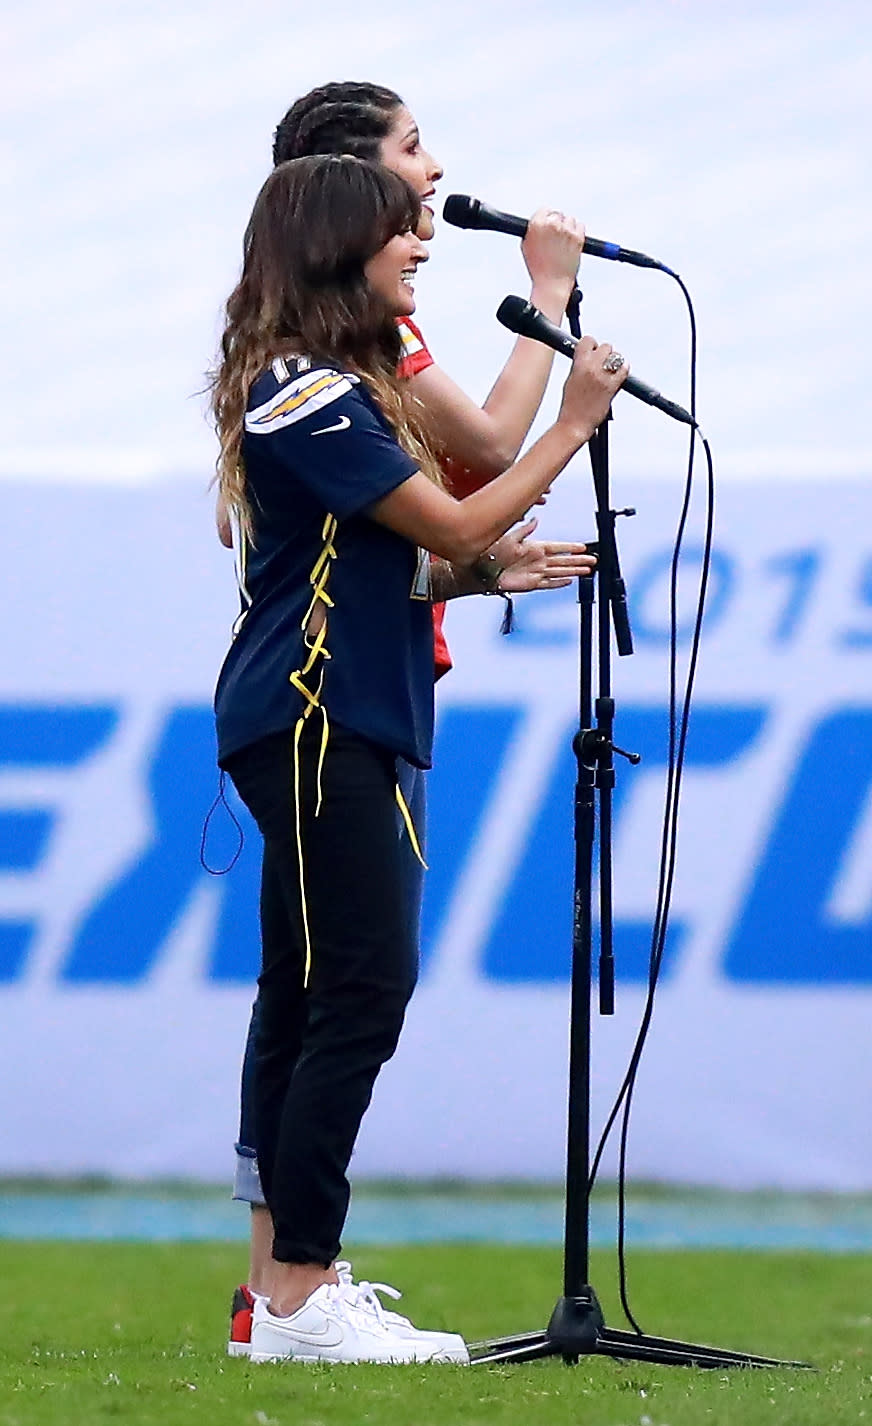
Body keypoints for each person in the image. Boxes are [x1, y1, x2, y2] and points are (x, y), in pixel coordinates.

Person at [210, 152, 627, 1362]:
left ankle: (291, 1291)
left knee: (324, 993)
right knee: (357, 989)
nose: (421, 246)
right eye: (401, 231)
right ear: (339, 245)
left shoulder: (331, 379)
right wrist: (573, 424)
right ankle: (295, 1292)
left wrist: (484, 571)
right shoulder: (301, 385)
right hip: (316, 712)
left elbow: (408, 557)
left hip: (344, 708)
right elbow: (450, 512)